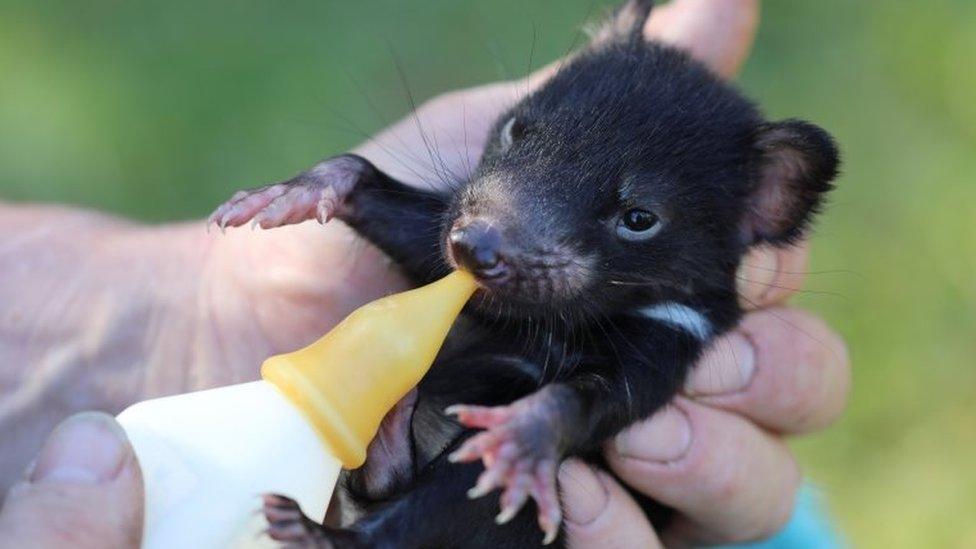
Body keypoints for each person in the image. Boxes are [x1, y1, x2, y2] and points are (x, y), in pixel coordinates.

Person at [0, 1, 850, 547]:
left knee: (501, 493)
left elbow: (611, 395)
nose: (494, 233)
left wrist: (549, 421)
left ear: (757, 212)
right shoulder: (502, 241)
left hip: (515, 495)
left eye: (634, 220)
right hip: (388, 430)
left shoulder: (676, 323)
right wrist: (350, 187)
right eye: (520, 140)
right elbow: (426, 233)